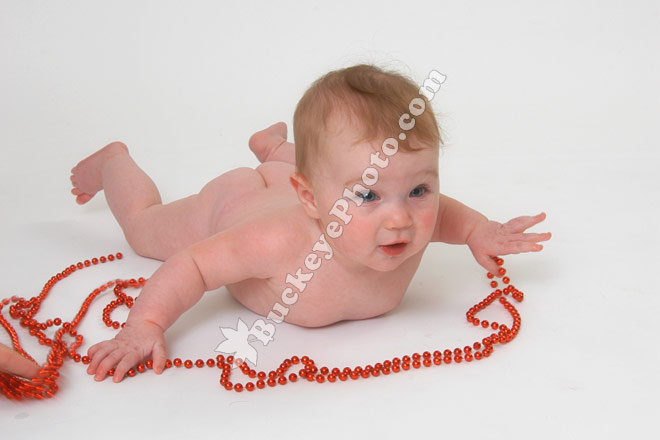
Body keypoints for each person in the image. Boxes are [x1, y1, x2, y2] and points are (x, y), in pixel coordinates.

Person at [70, 64, 551, 383]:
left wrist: (478, 230)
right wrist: (144, 324)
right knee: (144, 228)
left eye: (419, 190)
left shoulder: (406, 219)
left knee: (337, 167)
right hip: (238, 200)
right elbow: (192, 265)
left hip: (301, 182)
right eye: (368, 195)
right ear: (309, 199)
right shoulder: (274, 243)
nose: (401, 218)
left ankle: (276, 149)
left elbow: (445, 212)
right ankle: (114, 161)